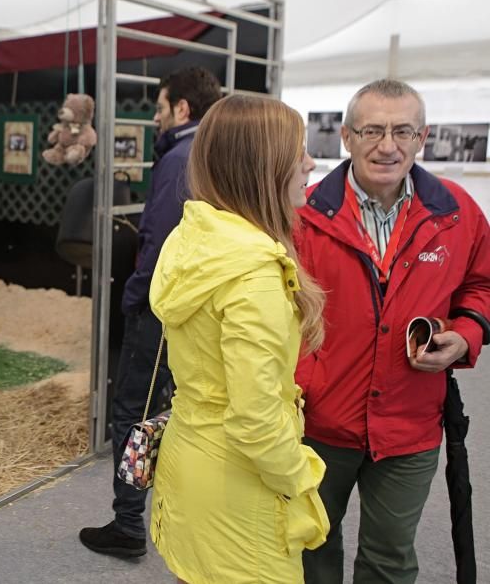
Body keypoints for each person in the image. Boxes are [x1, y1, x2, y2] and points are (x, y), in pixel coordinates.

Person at [296, 79, 490, 583]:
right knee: (307, 549)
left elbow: (483, 284)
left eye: (403, 130)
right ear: (346, 136)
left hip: (410, 424)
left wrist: (467, 333)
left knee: (390, 561)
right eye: (373, 130)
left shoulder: (456, 213)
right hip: (317, 424)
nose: (389, 145)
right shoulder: (302, 215)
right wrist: (307, 378)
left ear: (422, 136)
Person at [149, 94, 330, 583]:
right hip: (238, 490)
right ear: (262, 164)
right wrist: (302, 478)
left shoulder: (196, 240)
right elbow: (256, 419)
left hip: (192, 462)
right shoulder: (254, 274)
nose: (311, 164)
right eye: (298, 152)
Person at [79, 67, 221, 557]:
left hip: (163, 307)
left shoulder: (181, 156)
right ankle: (172, 512)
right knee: (177, 408)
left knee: (133, 412)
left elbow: (160, 239)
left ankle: (128, 521)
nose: (156, 118)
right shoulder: (214, 150)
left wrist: (134, 296)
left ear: (182, 108)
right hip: (199, 306)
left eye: (160, 108)